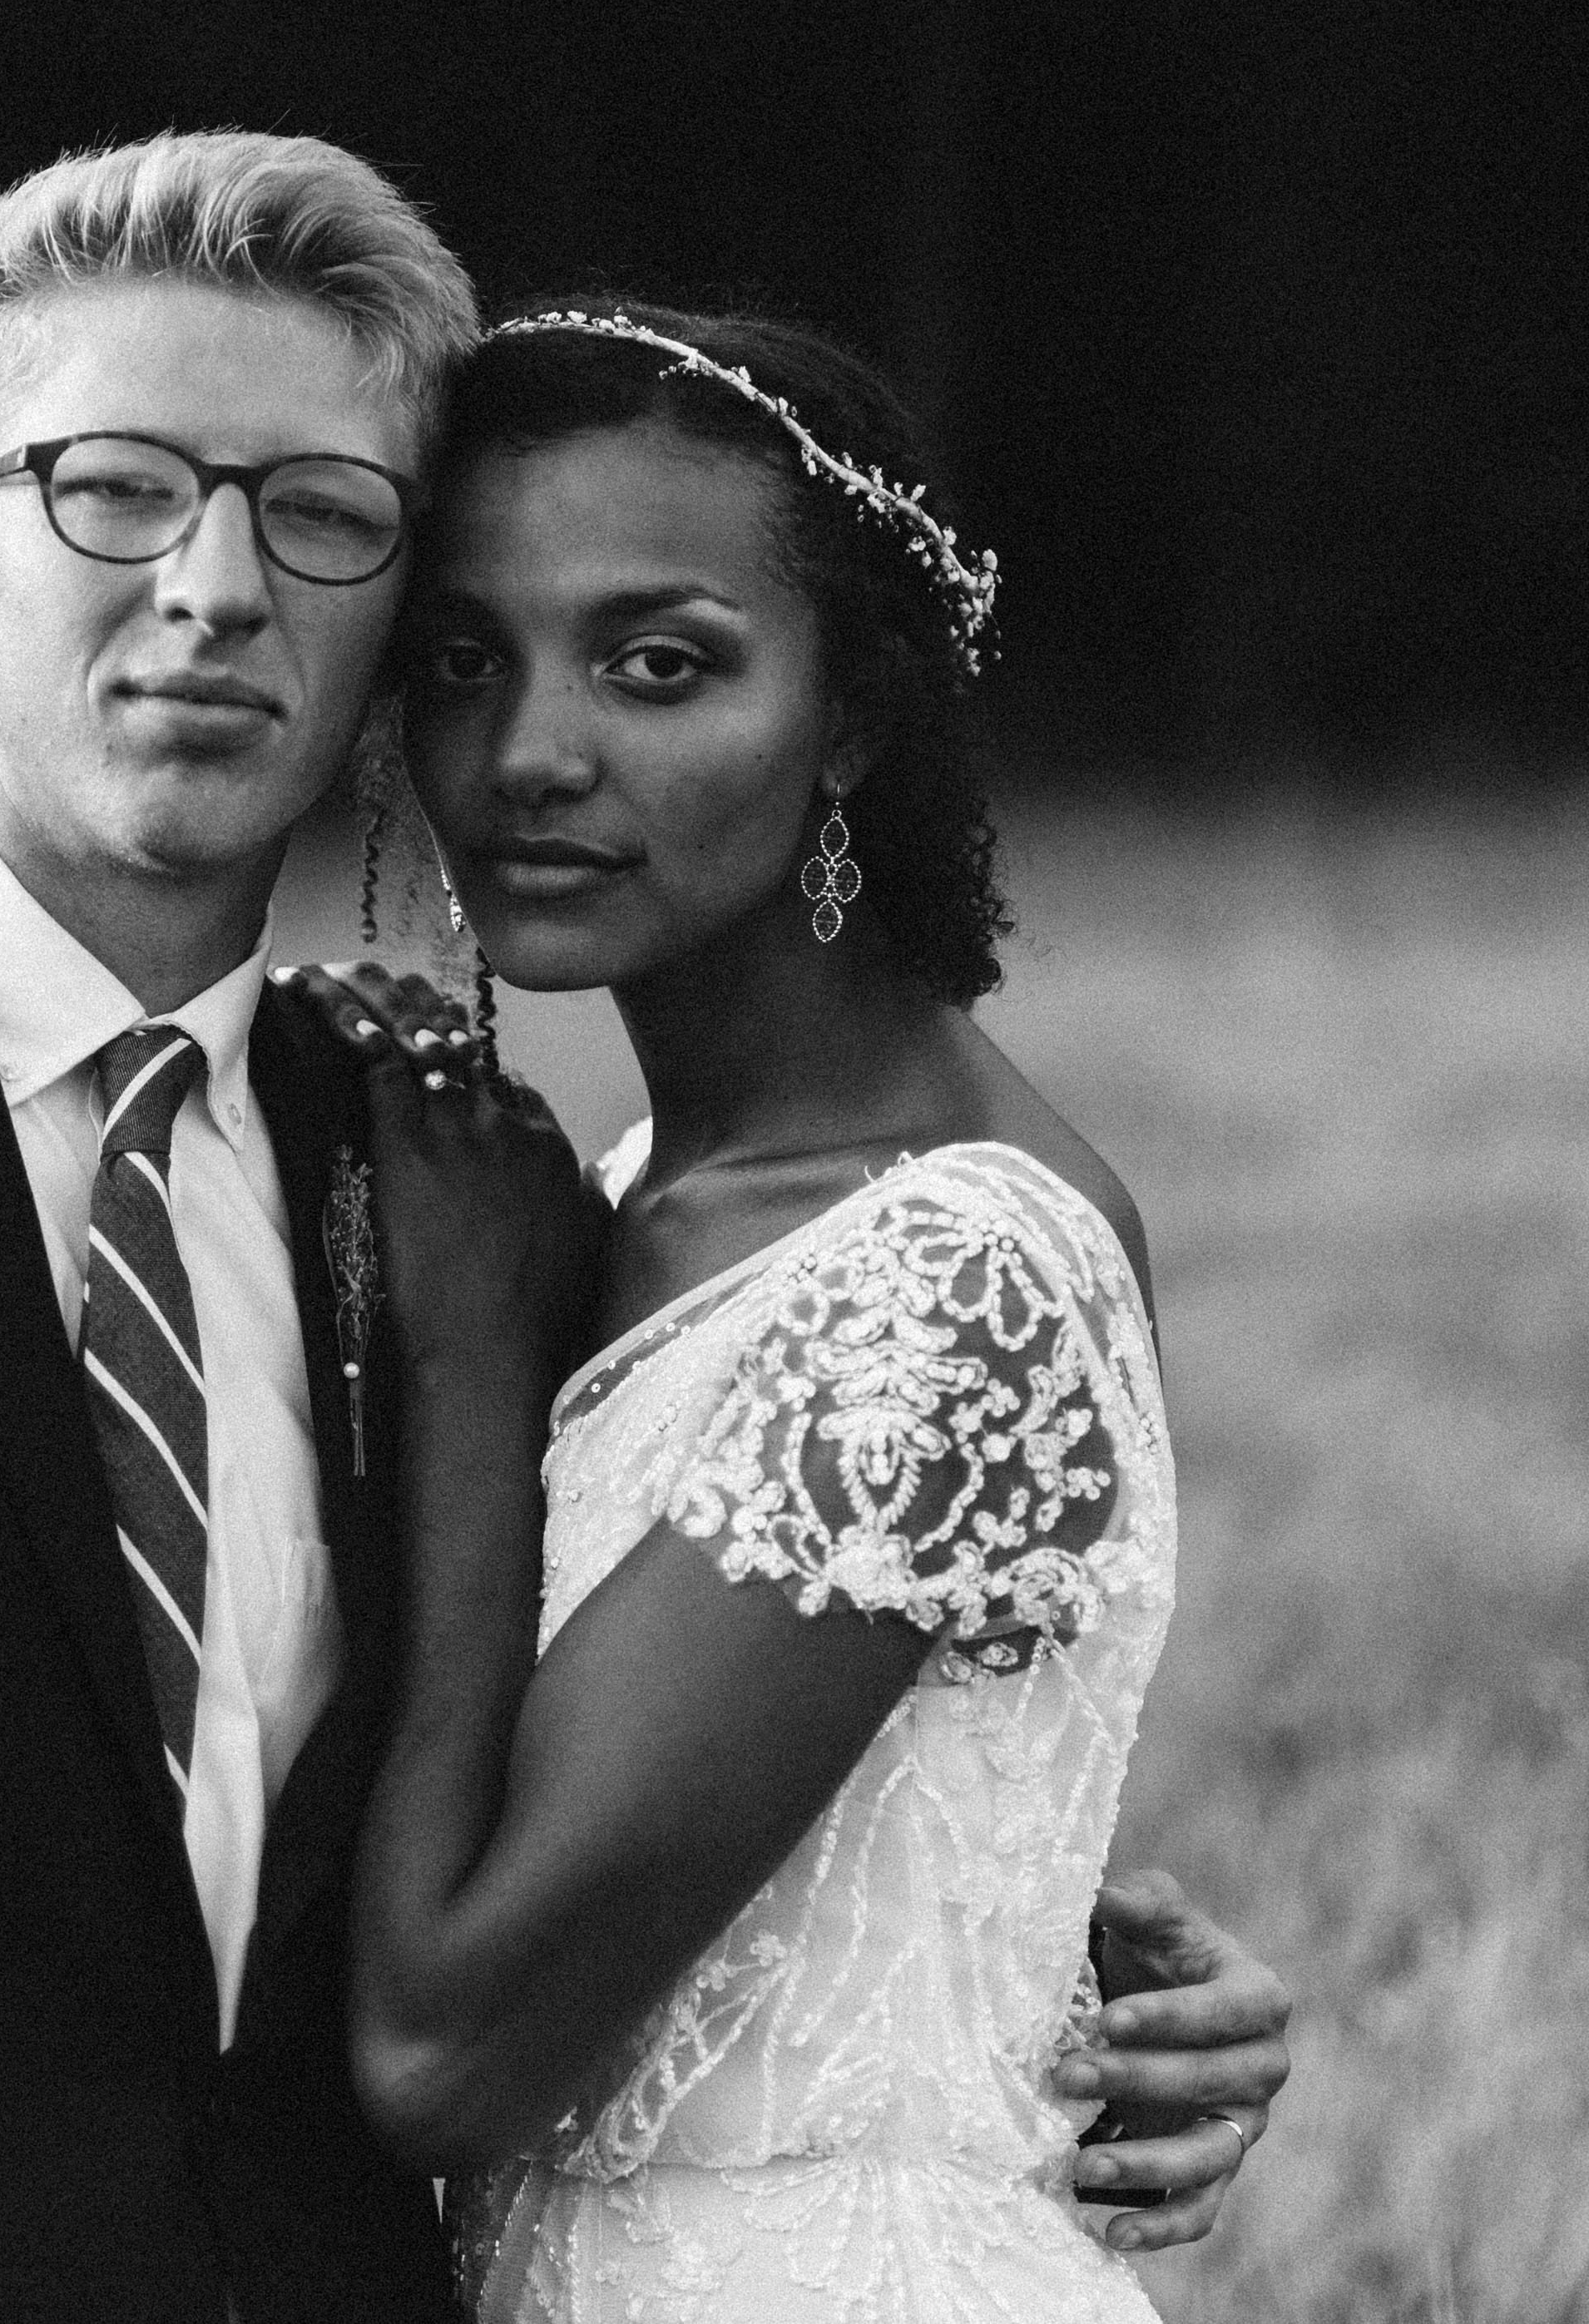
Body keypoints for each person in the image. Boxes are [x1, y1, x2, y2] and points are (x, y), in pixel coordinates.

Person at [0, 137, 1288, 2324]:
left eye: (314, 511)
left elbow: (670, 1792)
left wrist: (1049, 1963)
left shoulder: (425, 1179)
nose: (212, 585)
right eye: (114, 488)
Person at [295, 299, 1224, 2322]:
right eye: (461, 660)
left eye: (658, 664)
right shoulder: (641, 1193)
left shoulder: (958, 1268)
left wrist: (471, 1367)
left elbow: (445, 2057)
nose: (530, 754)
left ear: (853, 716)